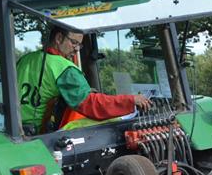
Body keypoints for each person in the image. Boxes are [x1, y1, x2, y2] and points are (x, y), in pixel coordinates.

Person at [16, 28, 152, 135]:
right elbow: (91, 104)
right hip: (38, 135)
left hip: (16, 130)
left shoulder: (25, 59)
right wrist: (130, 101)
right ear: (59, 38)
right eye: (74, 43)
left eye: (79, 45)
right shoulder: (65, 68)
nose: (76, 49)